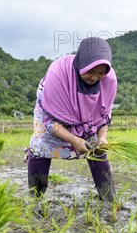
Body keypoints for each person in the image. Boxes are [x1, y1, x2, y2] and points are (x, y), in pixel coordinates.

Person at [25, 37, 117, 201]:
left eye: (101, 74)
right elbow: (49, 122)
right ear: (82, 63)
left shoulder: (108, 80)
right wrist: (74, 140)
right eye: (90, 71)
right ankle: (35, 197)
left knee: (97, 149)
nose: (95, 78)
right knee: (41, 148)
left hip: (86, 120)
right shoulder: (58, 74)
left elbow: (104, 115)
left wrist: (102, 138)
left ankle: (108, 197)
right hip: (54, 114)